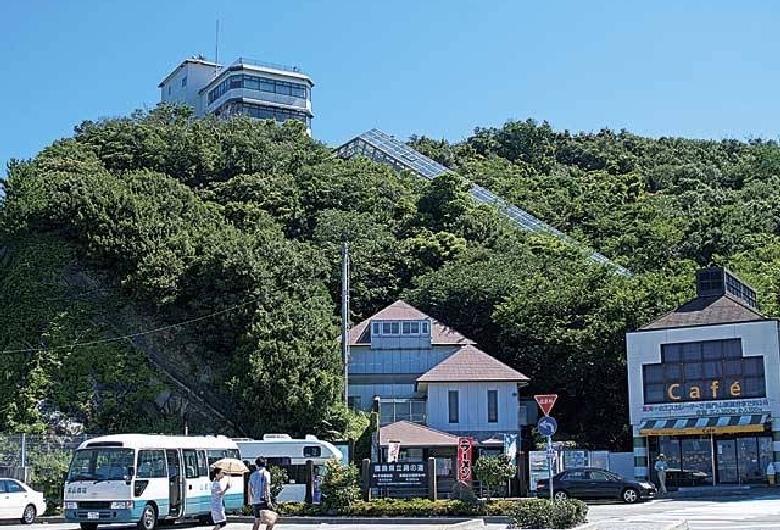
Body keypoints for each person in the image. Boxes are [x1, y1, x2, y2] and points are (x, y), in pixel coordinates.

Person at [249, 458, 275, 530]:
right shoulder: (266, 474)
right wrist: (268, 500)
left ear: (256, 465)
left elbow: (250, 489)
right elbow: (267, 487)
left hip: (255, 502)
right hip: (264, 501)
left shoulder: (252, 475)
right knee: (271, 521)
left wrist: (252, 500)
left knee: (256, 522)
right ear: (265, 464)